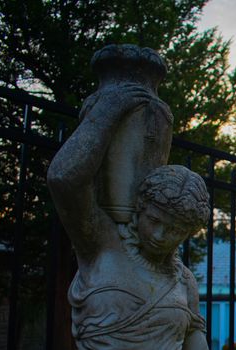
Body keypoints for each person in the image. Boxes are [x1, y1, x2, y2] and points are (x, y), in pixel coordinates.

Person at [47, 83, 210, 349]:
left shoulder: (183, 279)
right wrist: (105, 113)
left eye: (175, 230)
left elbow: (194, 336)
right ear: (140, 207)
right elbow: (63, 179)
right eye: (155, 221)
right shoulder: (102, 244)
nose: (159, 236)